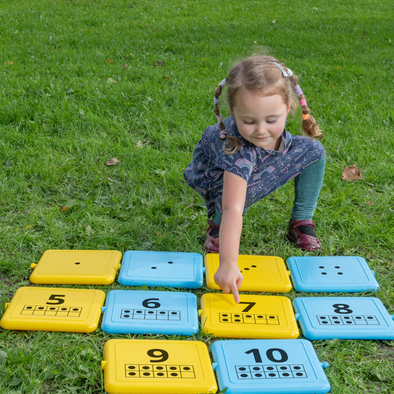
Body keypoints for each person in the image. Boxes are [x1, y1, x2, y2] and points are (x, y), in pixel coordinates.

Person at [184, 55, 326, 303]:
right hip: (217, 179)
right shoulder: (236, 152)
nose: (261, 130)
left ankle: (301, 222)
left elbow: (295, 147)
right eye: (248, 121)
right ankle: (216, 229)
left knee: (314, 151)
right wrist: (228, 263)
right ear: (234, 112)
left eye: (272, 120)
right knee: (243, 189)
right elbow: (233, 208)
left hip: (253, 163)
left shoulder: (263, 133)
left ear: (288, 108)